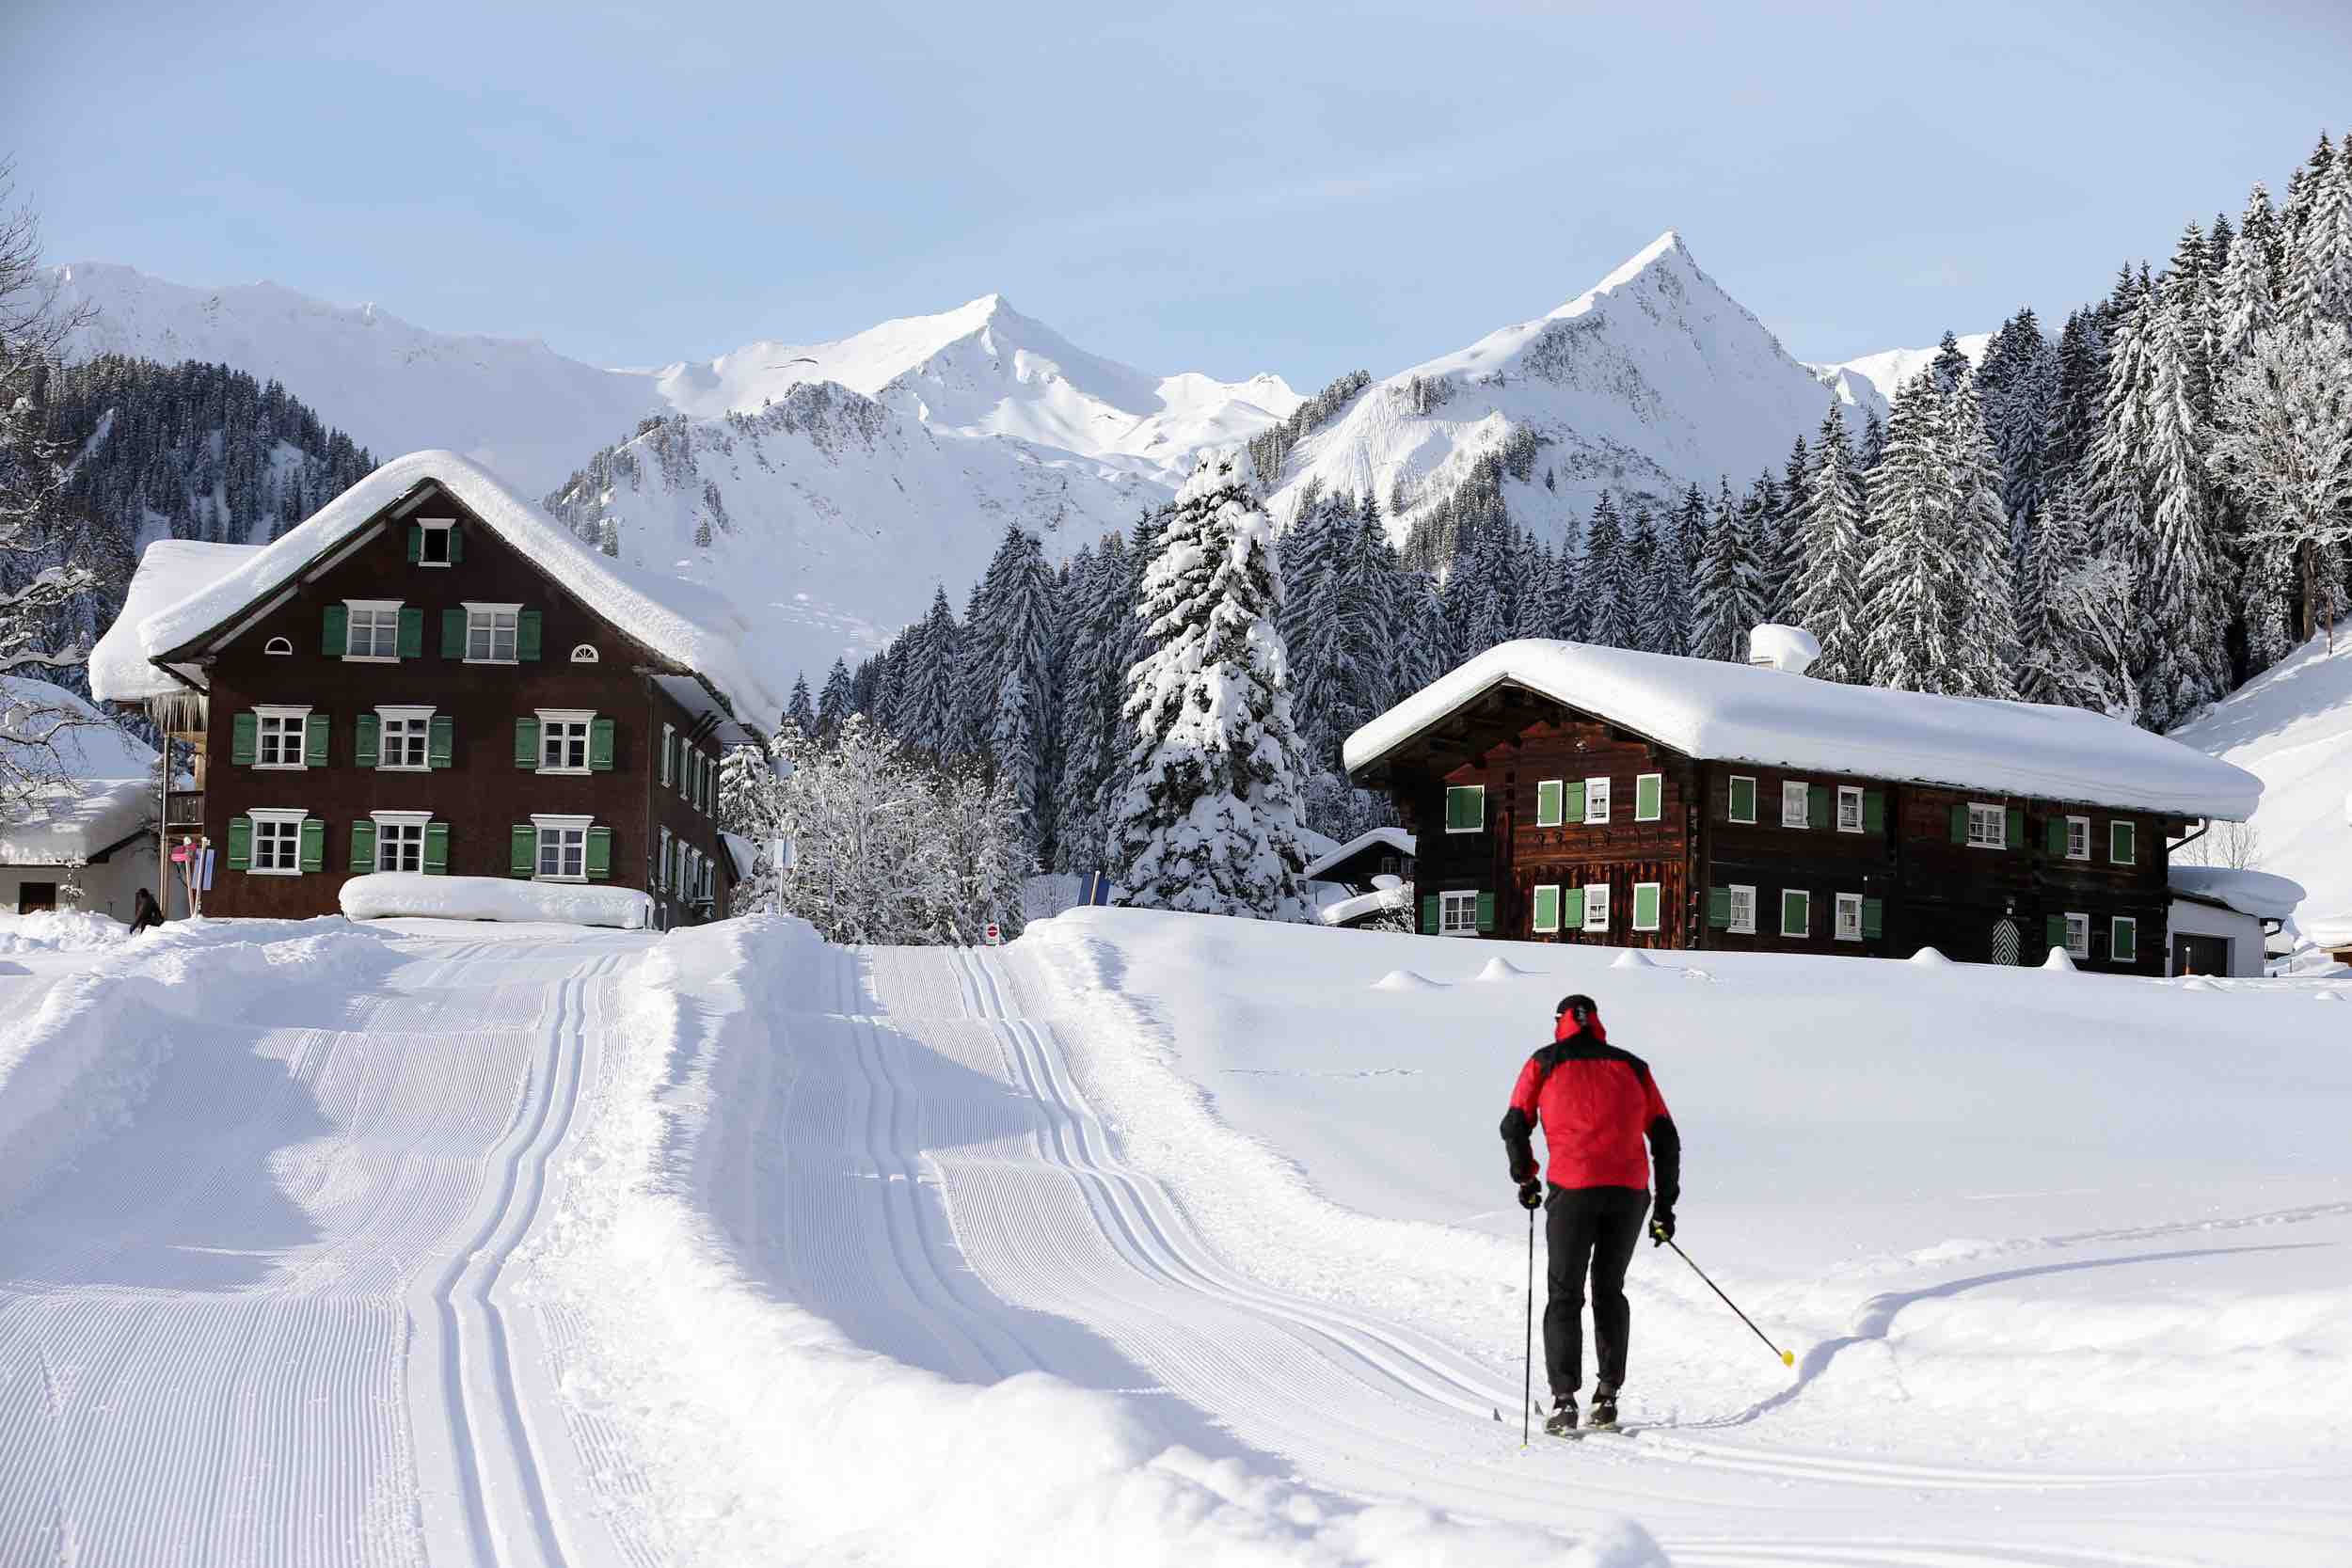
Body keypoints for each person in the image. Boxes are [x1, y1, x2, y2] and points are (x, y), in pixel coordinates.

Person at [1498, 992, 1679, 1434]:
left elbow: (1514, 1123)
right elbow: (1665, 1136)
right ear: (1596, 1022)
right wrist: (1664, 1206)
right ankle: (1608, 1396)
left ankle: (1564, 1401)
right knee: (1609, 1290)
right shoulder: (1633, 1066)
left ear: (1560, 1022)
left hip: (1573, 1190)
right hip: (1628, 1193)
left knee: (1565, 1293)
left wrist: (1526, 1177)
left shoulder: (1544, 1061)